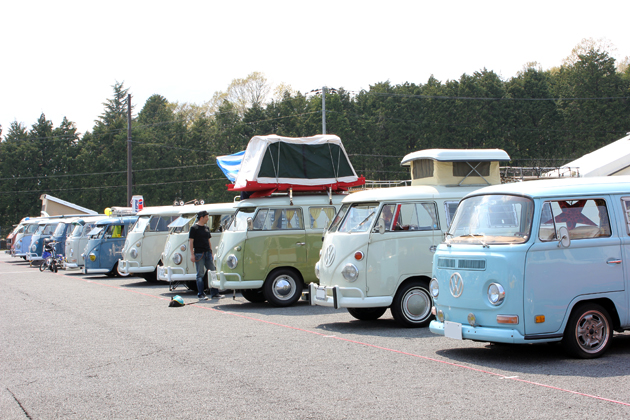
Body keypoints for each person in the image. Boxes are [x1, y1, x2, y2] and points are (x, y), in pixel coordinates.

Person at [189, 210, 220, 300]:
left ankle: (215, 293)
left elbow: (208, 241)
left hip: (207, 253)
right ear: (201, 217)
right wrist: (192, 254)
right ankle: (201, 293)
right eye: (206, 217)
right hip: (199, 253)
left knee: (213, 271)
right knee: (200, 274)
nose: (207, 219)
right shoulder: (194, 228)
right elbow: (191, 241)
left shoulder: (206, 228)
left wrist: (211, 252)